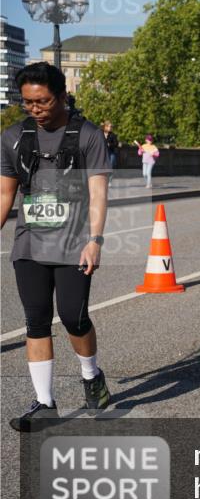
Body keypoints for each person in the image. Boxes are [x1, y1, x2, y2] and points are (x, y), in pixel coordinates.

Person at [1, 62, 111, 431]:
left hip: (74, 244)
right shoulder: (13, 137)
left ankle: (90, 374)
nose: (35, 108)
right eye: (28, 102)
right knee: (35, 321)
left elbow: (97, 194)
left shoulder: (88, 135)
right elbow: (5, 193)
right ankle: (45, 403)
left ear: (62, 96)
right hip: (29, 244)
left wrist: (95, 241)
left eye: (43, 101)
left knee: (73, 316)